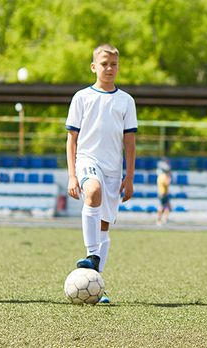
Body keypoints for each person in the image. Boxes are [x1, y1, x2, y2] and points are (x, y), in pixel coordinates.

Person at [66, 43, 137, 304]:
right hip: (87, 160)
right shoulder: (82, 97)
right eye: (104, 64)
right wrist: (73, 176)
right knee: (92, 191)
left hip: (113, 169)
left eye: (114, 64)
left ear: (118, 67)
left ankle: (96, 282)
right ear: (94, 67)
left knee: (104, 226)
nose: (109, 68)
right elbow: (71, 139)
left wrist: (129, 177)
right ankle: (91, 255)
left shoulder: (126, 101)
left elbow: (129, 142)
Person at [156, 158, 172, 225]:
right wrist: (169, 178)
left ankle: (163, 219)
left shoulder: (160, 176)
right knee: (163, 207)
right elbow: (167, 183)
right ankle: (161, 220)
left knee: (166, 207)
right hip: (163, 193)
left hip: (162, 193)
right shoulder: (164, 176)